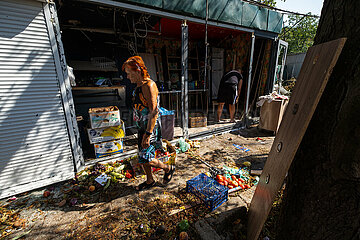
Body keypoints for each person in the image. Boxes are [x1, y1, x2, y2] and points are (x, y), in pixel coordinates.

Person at [122, 56, 175, 191]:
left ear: (137, 70)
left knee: (147, 158)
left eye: (129, 73)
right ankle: (150, 180)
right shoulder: (138, 86)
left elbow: (154, 112)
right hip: (142, 127)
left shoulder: (149, 86)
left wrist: (147, 134)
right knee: (142, 155)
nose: (127, 77)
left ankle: (168, 168)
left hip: (149, 128)